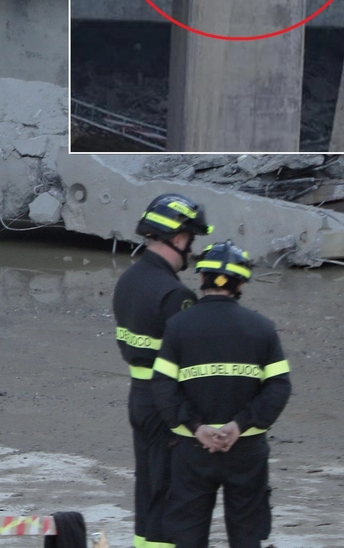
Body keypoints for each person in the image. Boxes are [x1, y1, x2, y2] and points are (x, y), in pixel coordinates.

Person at [153, 242, 292, 548]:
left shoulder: (177, 327)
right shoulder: (263, 329)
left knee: (187, 534)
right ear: (240, 282)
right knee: (247, 535)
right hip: (246, 451)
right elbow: (279, 386)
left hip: (192, 451)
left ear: (202, 278)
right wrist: (239, 425)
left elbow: (162, 386)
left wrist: (197, 428)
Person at [113, 194, 212, 548]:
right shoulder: (175, 294)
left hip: (139, 399)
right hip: (167, 405)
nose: (191, 250)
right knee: (174, 492)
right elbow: (194, 364)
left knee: (149, 488)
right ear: (180, 238)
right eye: (192, 240)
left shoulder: (128, 280)